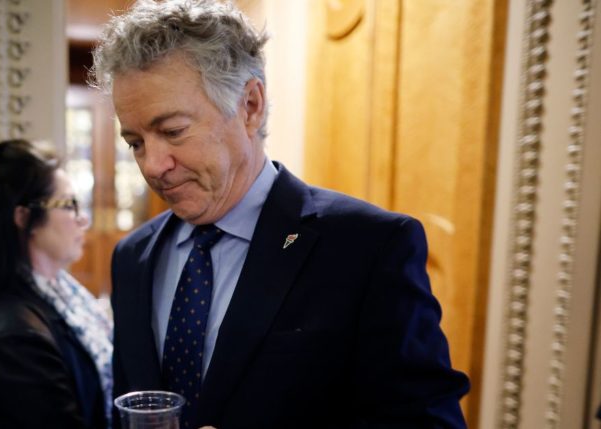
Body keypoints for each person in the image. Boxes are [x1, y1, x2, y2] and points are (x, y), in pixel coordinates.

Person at [91, 1, 469, 428]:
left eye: (173, 131)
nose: (153, 165)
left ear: (250, 105)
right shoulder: (132, 258)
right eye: (136, 142)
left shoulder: (368, 249)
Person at [0, 139, 112, 429]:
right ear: (25, 218)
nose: (83, 219)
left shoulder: (62, 293)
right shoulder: (12, 334)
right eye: (70, 205)